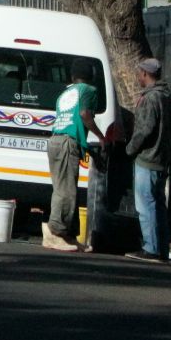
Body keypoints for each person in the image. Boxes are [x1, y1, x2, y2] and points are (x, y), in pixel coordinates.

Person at [43, 61, 100, 252]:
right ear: (90, 75)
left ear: (72, 77)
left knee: (64, 188)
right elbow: (84, 114)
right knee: (66, 191)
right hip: (68, 142)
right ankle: (54, 233)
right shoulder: (89, 90)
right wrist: (100, 137)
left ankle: (68, 235)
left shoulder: (65, 93)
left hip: (55, 141)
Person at [126, 57, 171, 262]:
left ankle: (151, 248)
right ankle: (161, 248)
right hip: (162, 159)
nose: (138, 77)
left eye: (139, 73)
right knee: (158, 206)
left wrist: (130, 149)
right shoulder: (167, 97)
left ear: (145, 74)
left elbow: (145, 130)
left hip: (148, 158)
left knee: (145, 206)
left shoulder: (150, 99)